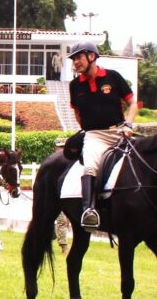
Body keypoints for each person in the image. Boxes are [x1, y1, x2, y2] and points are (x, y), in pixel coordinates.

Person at [68, 41, 138, 231]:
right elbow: (76, 112)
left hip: (120, 132)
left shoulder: (113, 77)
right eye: (73, 59)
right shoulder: (75, 85)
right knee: (90, 166)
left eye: (78, 58)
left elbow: (132, 103)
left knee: (147, 159)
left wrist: (128, 125)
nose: (75, 62)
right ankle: (88, 211)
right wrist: (88, 129)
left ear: (91, 56)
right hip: (95, 136)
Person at [53, 136, 71, 254]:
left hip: (67, 196)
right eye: (59, 147)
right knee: (62, 220)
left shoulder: (71, 163)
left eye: (63, 147)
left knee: (66, 221)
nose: (61, 150)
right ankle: (63, 245)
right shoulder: (52, 163)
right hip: (54, 198)